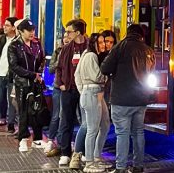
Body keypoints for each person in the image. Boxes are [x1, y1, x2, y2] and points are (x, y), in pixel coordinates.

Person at [101, 24, 155, 173]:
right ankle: (138, 166)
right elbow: (151, 73)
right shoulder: (148, 50)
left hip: (121, 99)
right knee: (138, 132)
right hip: (141, 99)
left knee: (122, 133)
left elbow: (105, 69)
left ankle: (121, 167)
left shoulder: (120, 47)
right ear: (141, 36)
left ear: (127, 33)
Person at [55, 18, 89, 167]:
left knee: (87, 123)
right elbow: (59, 67)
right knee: (66, 121)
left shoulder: (90, 47)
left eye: (69, 32)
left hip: (85, 90)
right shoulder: (66, 49)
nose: (66, 34)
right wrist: (61, 84)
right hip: (68, 89)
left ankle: (83, 152)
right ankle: (65, 152)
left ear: (78, 32)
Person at [9, 18, 46, 152]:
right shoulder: (14, 46)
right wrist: (32, 75)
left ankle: (37, 139)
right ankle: (23, 139)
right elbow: (14, 66)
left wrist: (39, 74)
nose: (32, 33)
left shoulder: (37, 44)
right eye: (28, 30)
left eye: (33, 30)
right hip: (22, 84)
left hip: (36, 83)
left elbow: (42, 60)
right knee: (23, 111)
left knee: (38, 110)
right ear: (20, 31)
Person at [76, 33, 111, 172]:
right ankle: (89, 163)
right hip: (92, 93)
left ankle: (96, 158)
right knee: (92, 129)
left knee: (105, 124)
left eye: (104, 42)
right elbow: (97, 77)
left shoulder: (90, 55)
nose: (103, 45)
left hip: (94, 93)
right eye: (100, 42)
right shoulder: (91, 56)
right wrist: (108, 74)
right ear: (94, 43)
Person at [45, 34, 70, 157]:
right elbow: (50, 69)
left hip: (70, 88)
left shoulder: (77, 51)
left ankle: (63, 144)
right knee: (56, 115)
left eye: (68, 35)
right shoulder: (58, 51)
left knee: (66, 116)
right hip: (58, 87)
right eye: (65, 36)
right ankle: (51, 140)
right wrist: (60, 60)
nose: (66, 38)